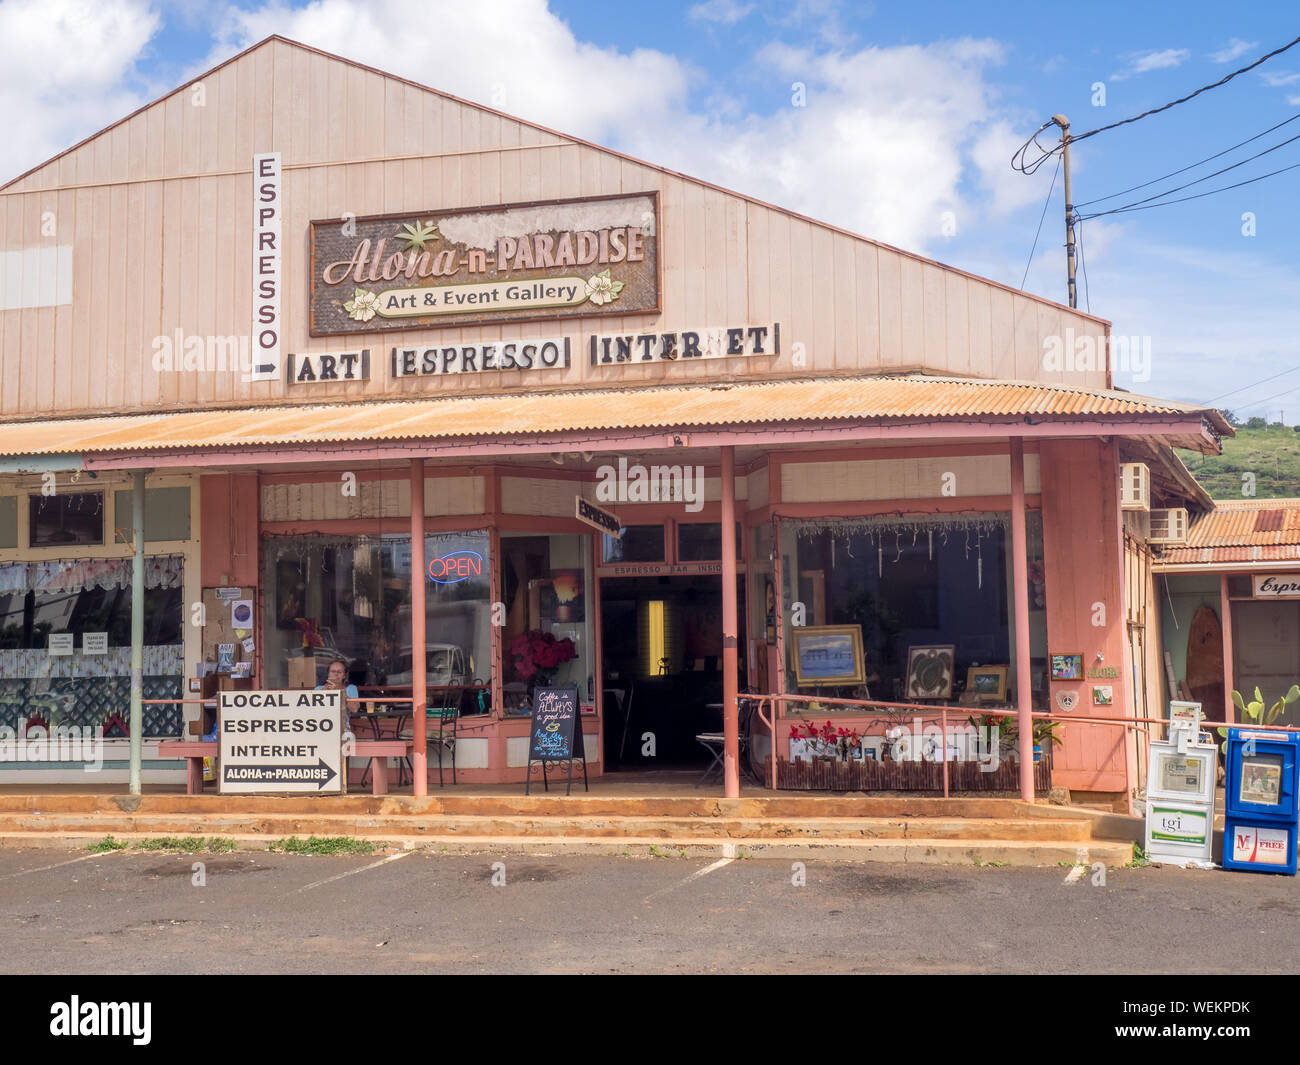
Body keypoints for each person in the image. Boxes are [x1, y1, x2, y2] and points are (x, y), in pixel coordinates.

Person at [317, 656, 360, 723]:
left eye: (339, 672)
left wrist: (340, 691)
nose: (336, 674)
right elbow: (313, 710)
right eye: (333, 671)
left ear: (344, 675)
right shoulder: (319, 688)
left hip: (343, 728)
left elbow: (355, 709)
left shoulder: (351, 688)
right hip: (321, 727)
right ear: (328, 674)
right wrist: (324, 690)